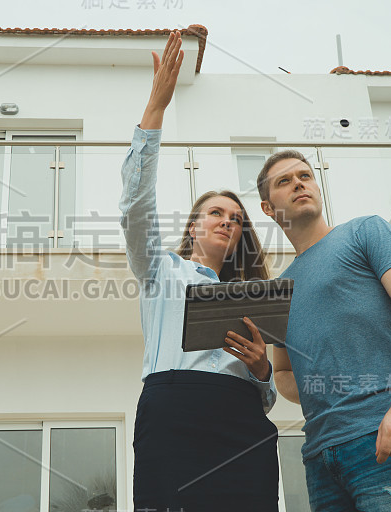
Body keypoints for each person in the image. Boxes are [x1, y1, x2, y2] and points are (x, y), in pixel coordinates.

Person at [233, 151, 391, 510]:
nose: (299, 183)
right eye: (284, 181)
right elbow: (285, 372)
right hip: (320, 458)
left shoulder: (365, 231)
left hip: (388, 436)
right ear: (268, 208)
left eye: (305, 175)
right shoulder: (280, 288)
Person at [120, 31, 280, 512]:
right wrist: (155, 110)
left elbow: (268, 396)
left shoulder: (253, 295)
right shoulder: (160, 271)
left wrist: (261, 369)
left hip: (243, 422)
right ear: (192, 226)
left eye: (236, 219)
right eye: (216, 213)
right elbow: (134, 207)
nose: (227, 222)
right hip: (174, 412)